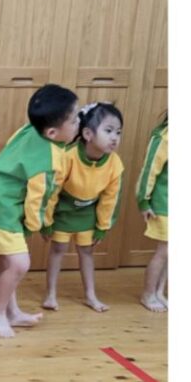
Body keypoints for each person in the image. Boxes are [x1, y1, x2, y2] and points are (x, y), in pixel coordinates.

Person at [0, 82, 80, 341]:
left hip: (0, 202)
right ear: (52, 132)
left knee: (9, 263)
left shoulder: (31, 129)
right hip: (5, 211)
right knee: (19, 263)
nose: (79, 123)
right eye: (74, 120)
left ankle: (12, 312)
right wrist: (41, 225)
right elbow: (40, 199)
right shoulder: (49, 161)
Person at [42, 99, 123, 312]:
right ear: (87, 134)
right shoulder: (68, 157)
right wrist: (46, 221)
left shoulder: (115, 163)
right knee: (58, 249)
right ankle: (50, 294)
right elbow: (52, 191)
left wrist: (103, 226)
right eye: (108, 131)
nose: (114, 138)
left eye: (118, 132)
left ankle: (90, 296)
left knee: (86, 252)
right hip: (64, 211)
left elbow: (110, 198)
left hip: (88, 213)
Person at [136, 113, 167, 311]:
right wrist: (144, 201)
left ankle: (159, 291)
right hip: (164, 203)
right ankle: (148, 294)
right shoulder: (164, 136)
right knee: (164, 251)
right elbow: (149, 169)